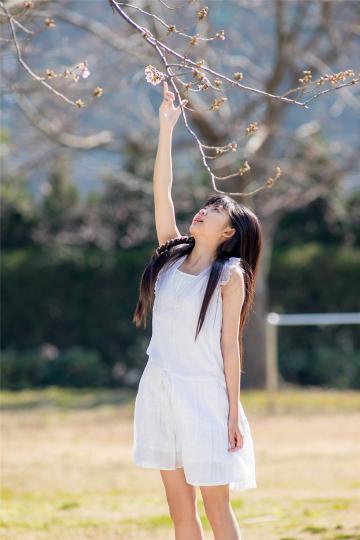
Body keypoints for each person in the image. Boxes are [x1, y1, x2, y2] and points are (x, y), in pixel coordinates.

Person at [132, 80, 261, 540]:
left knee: (216, 508)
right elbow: (161, 191)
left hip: (206, 397)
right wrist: (167, 128)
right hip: (160, 388)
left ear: (229, 232)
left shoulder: (229, 276)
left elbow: (231, 345)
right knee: (179, 511)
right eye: (205, 206)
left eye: (215, 211)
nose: (203, 213)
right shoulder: (169, 256)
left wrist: (232, 413)